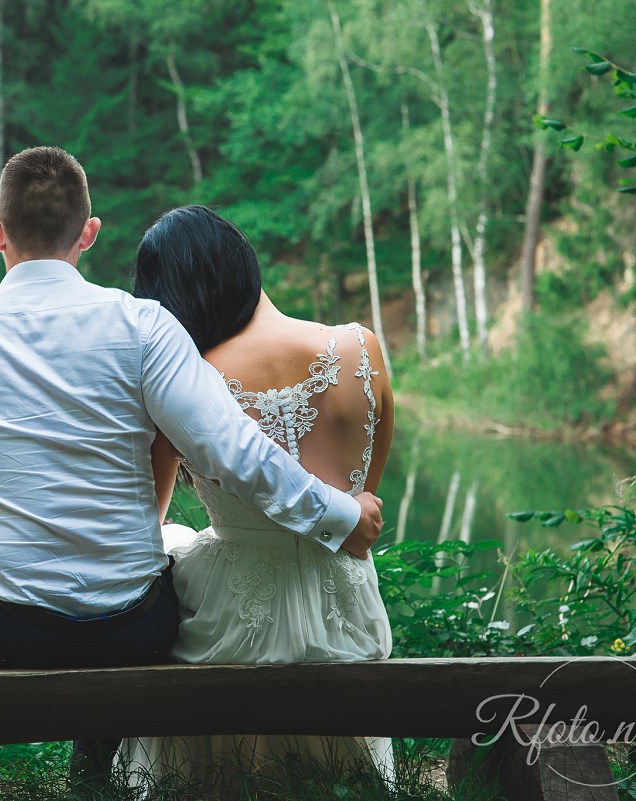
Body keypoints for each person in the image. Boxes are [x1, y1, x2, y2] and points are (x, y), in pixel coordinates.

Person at [0, 148, 384, 780]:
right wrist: (337, 513)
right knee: (135, 579)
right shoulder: (145, 326)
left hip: (6, 632)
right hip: (135, 626)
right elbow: (230, 447)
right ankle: (94, 780)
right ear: (89, 233)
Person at [116, 205, 396, 791]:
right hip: (342, 609)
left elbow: (147, 518)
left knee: (170, 547)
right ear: (245, 264)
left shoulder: (184, 383)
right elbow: (362, 505)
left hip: (231, 620)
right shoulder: (360, 349)